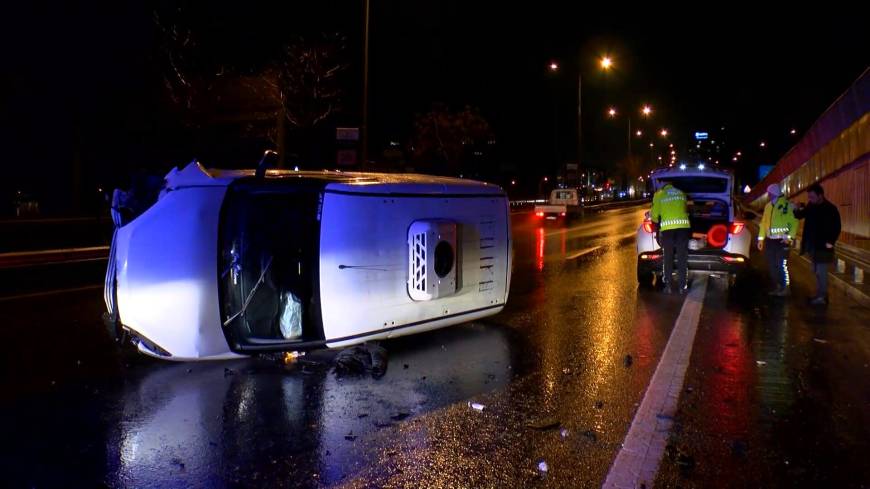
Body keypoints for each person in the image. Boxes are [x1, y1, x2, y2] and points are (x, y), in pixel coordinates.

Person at [794, 183, 841, 305]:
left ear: (820, 195)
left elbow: (837, 227)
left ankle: (822, 296)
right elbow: (799, 216)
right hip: (813, 246)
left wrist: (831, 241)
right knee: (815, 271)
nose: (810, 199)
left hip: (824, 246)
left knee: (821, 271)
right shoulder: (811, 206)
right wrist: (796, 208)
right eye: (809, 197)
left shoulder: (830, 209)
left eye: (812, 197)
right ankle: (819, 294)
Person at [757, 183, 798, 296]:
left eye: (769, 193)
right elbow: (764, 223)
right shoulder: (768, 206)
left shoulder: (787, 205)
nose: (768, 195)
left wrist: (789, 238)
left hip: (781, 241)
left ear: (773, 193)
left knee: (781, 265)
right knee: (772, 265)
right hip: (770, 241)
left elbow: (794, 223)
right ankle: (778, 286)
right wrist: (761, 239)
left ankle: (786, 288)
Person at [650, 179, 691, 293]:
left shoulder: (659, 195)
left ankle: (668, 285)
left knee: (668, 257)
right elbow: (685, 209)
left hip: (668, 230)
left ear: (662, 186)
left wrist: (656, 220)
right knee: (682, 257)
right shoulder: (681, 193)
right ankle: (682, 286)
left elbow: (654, 216)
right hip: (683, 228)